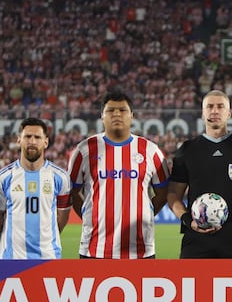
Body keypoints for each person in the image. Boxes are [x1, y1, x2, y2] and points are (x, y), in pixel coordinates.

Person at [68, 90, 170, 259]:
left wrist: (147, 210)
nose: (116, 114)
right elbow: (72, 191)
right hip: (94, 249)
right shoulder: (84, 150)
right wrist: (87, 213)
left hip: (140, 249)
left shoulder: (151, 151)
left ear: (132, 115)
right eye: (110, 110)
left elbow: (164, 192)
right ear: (102, 116)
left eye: (122, 110)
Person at [167, 90, 232, 258]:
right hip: (196, 237)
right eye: (209, 106)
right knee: (191, 285)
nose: (215, 111)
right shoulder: (188, 150)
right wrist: (189, 221)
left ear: (229, 113)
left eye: (220, 106)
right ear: (203, 113)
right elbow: (173, 194)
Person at [0, 117, 72, 259]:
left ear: (46, 142)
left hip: (48, 258)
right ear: (19, 140)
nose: (32, 141)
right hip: (12, 259)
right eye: (28, 136)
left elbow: (62, 218)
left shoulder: (60, 177)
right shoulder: (2, 177)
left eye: (37, 137)